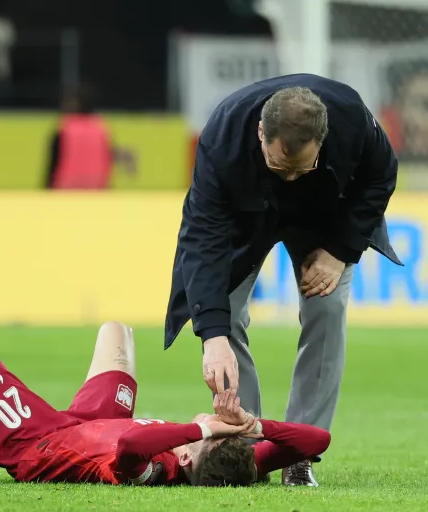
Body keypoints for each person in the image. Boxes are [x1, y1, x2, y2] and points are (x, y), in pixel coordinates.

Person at [165, 76, 399, 487]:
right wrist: (212, 337)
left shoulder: (351, 118)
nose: (290, 177)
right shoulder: (222, 139)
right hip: (247, 218)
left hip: (325, 216)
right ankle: (247, 446)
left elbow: (381, 176)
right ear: (260, 132)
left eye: (301, 168)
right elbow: (204, 240)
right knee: (223, 317)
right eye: (279, 166)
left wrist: (340, 251)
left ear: (323, 141)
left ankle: (298, 454)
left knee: (327, 308)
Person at [0, 321, 330, 486]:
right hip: (92, 422)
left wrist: (206, 429)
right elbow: (317, 440)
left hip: (38, 443)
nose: (213, 419)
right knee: (117, 330)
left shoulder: (156, 470)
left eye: (211, 430)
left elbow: (129, 447)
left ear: (190, 455)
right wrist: (251, 425)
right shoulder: (232, 464)